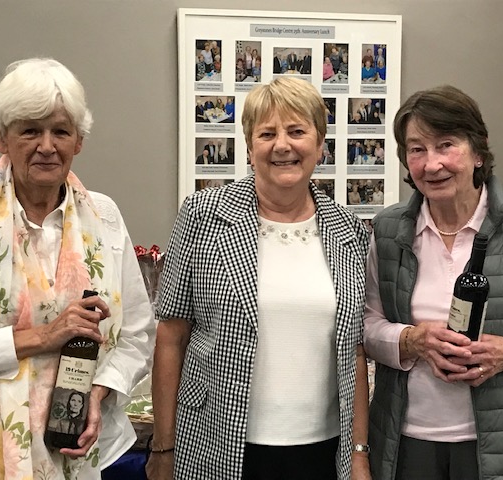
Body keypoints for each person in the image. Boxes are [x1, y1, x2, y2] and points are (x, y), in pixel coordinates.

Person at [146, 76, 372, 480]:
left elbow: (353, 351)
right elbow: (171, 336)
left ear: (320, 145)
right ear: (250, 149)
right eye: (267, 134)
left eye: (297, 131)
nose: (282, 145)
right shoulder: (202, 215)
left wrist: (358, 455)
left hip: (323, 450)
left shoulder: (348, 229)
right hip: (217, 445)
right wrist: (163, 447)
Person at [0, 58, 155, 480]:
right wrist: (42, 336)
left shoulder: (105, 216)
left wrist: (98, 393)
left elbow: (137, 334)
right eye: (29, 130)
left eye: (61, 131)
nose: (47, 146)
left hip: (85, 451)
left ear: (79, 142)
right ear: (0, 138)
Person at [363, 85, 503, 480]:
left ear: (477, 151)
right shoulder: (387, 230)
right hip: (408, 444)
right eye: (417, 149)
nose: (432, 164)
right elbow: (365, 326)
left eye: (446, 145)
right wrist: (411, 340)